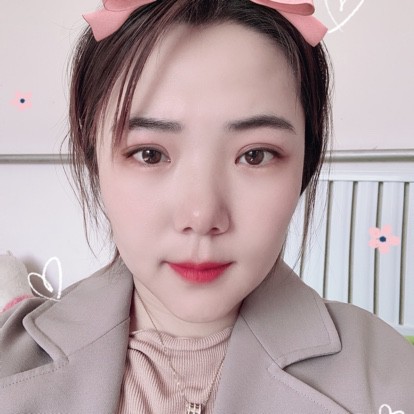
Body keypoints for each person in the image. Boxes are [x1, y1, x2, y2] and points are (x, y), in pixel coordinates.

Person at [1, 0, 413, 413]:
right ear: (95, 159)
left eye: (255, 155)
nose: (201, 217)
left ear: (305, 162)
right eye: (149, 154)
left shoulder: (391, 376)